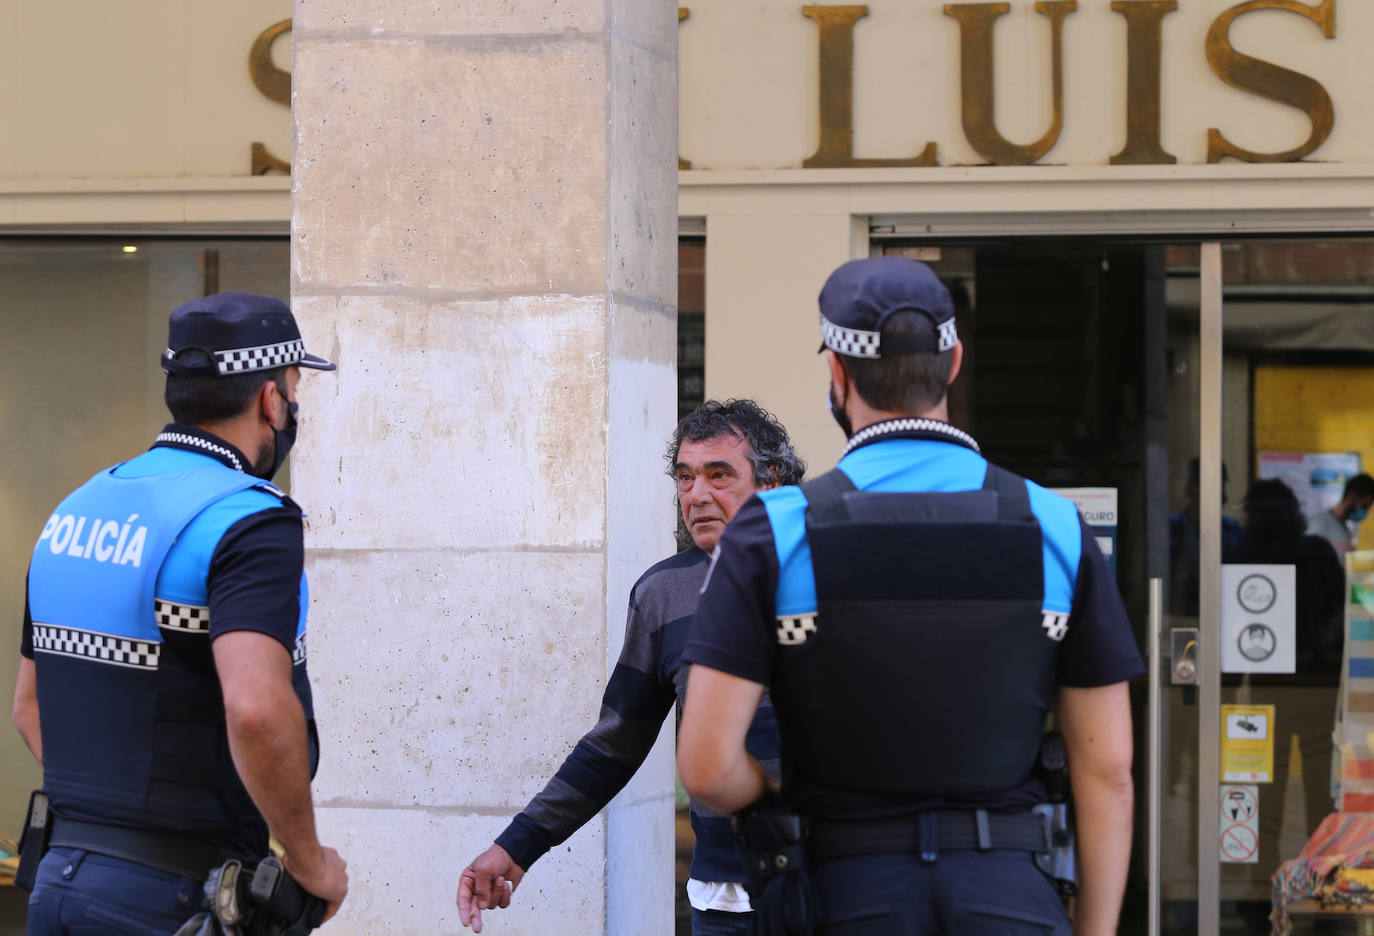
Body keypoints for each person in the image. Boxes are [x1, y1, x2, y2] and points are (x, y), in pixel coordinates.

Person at [677, 257, 1144, 936]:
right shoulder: (1054, 524)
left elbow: (708, 767)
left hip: (840, 895)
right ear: (953, 363)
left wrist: (779, 795)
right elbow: (1109, 773)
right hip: (1009, 896)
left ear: (837, 375)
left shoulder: (774, 533)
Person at [10, 292, 348, 935]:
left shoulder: (76, 510)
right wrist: (309, 864)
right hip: (177, 902)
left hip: (58, 885)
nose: (294, 406)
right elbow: (254, 707)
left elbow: (29, 707)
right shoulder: (249, 520)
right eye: (296, 388)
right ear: (270, 400)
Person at [456, 400, 805, 936]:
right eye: (685, 479)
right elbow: (615, 745)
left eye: (719, 475)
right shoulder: (663, 592)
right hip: (725, 904)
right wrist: (517, 846)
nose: (697, 495)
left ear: (770, 482)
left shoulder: (830, 570)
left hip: (838, 886)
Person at [1307, 472, 1374, 557]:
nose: (1365, 511)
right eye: (1364, 506)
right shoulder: (1319, 523)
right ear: (1352, 495)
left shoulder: (1345, 530)